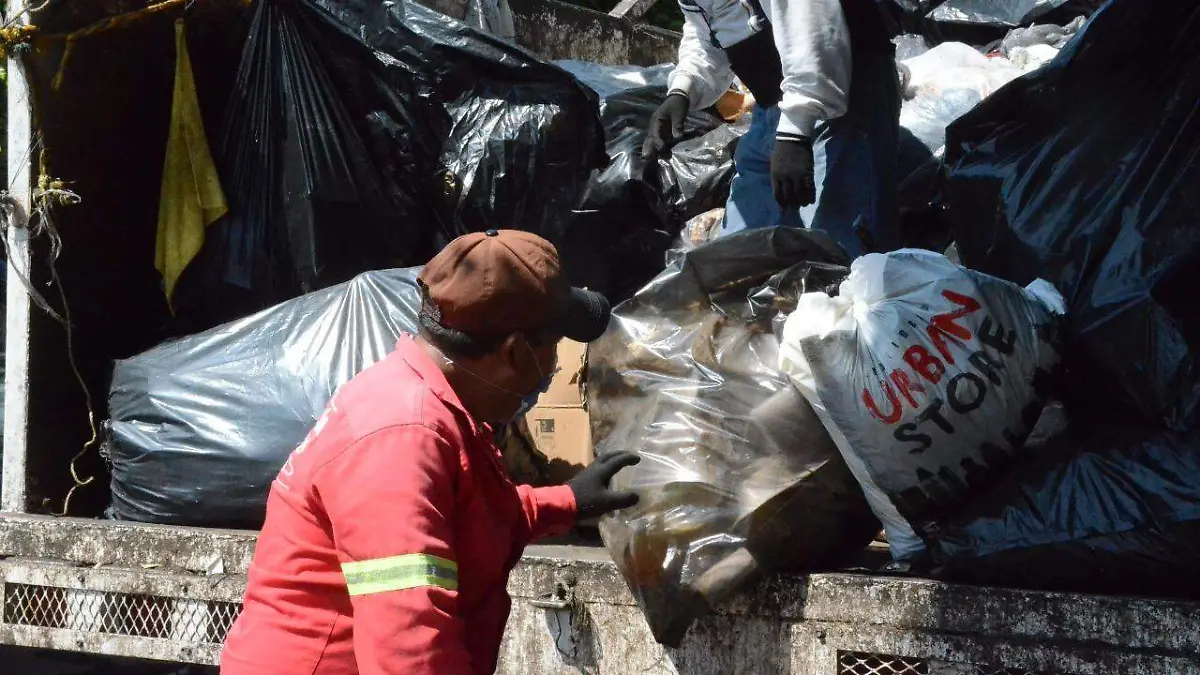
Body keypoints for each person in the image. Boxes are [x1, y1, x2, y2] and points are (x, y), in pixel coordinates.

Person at [220, 229, 641, 675]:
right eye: (554, 349)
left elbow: (464, 517)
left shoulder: (435, 404)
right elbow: (410, 650)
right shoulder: (402, 436)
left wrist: (567, 501)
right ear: (515, 351)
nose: (555, 366)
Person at [643, 0, 899, 258]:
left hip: (840, 96)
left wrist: (795, 131)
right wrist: (683, 89)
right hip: (775, 104)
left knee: (841, 255)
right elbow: (711, 27)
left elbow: (813, 28)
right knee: (738, 255)